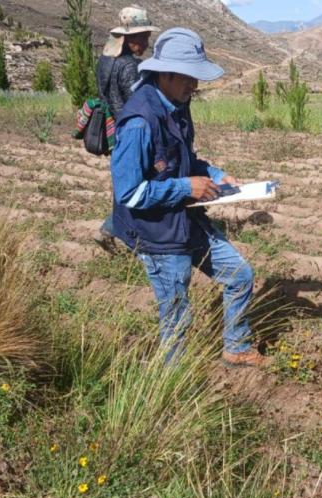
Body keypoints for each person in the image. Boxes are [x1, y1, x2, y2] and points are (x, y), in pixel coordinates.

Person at [108, 27, 272, 367]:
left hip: (187, 219)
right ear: (165, 73)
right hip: (158, 233)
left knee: (240, 276)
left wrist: (215, 175)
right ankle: (171, 379)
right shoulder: (139, 121)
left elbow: (184, 158)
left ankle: (236, 347)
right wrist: (186, 187)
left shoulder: (177, 104)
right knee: (177, 314)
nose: (194, 85)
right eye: (189, 77)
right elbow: (129, 192)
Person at [93, 7, 159, 254]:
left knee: (126, 184)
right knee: (140, 187)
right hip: (132, 133)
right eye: (143, 37)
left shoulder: (104, 61)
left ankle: (115, 230)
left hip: (114, 132)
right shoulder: (130, 66)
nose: (146, 43)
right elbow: (138, 105)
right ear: (129, 37)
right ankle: (116, 231)